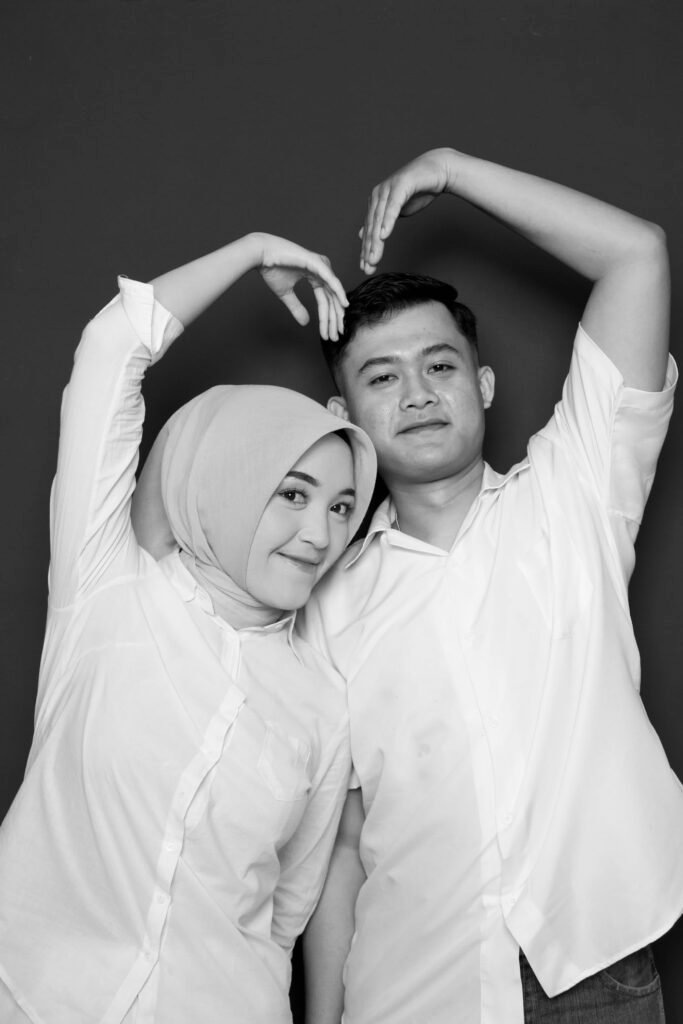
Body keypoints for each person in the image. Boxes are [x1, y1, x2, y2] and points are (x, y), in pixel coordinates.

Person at [133, 149, 683, 1023]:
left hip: (593, 976)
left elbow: (636, 256)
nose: (418, 393)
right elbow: (338, 842)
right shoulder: (320, 600)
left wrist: (452, 170)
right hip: (413, 995)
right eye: (382, 377)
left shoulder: (575, 496)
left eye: (440, 366)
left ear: (483, 385)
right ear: (344, 417)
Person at [0, 231, 376, 1024]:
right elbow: (110, 350)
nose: (319, 534)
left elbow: (284, 915)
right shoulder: (107, 591)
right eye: (293, 493)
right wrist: (249, 251)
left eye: (343, 507)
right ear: (228, 477)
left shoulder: (321, 702)